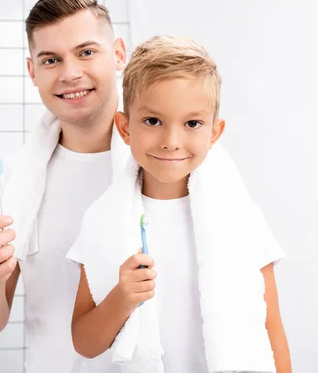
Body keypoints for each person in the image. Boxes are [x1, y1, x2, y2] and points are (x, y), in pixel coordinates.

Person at [70, 35, 292, 372]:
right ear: (125, 127)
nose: (172, 142)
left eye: (192, 123)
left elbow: (270, 327)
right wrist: (122, 298)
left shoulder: (240, 218)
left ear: (213, 134)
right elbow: (84, 343)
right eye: (153, 121)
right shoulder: (104, 221)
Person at [0, 0, 127, 371]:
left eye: (86, 52)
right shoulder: (15, 181)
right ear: (32, 71)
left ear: (118, 54)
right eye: (51, 59)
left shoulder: (166, 160)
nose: (70, 73)